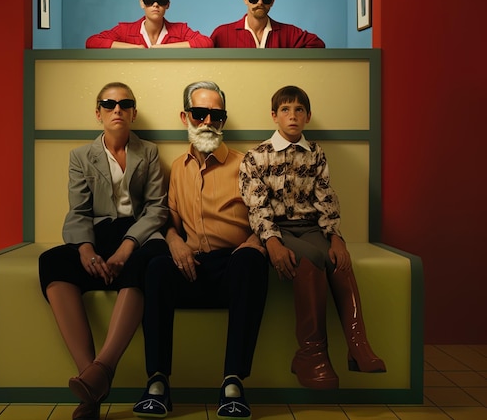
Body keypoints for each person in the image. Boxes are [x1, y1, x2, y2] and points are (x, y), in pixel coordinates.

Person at [133, 81, 268, 420]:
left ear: (223, 120)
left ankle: (233, 385)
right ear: (185, 117)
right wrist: (174, 241)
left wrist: (252, 244)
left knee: (251, 261)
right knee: (157, 268)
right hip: (190, 265)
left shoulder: (246, 163)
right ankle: (157, 385)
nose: (208, 121)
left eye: (216, 115)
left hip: (234, 265)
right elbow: (169, 221)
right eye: (199, 113)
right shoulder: (177, 168)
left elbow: (266, 218)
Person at [239, 85, 386, 390]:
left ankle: (358, 345)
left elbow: (326, 197)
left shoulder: (315, 153)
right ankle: (311, 354)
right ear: (274, 116)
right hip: (278, 229)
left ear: (307, 116)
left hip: (311, 227)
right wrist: (272, 241)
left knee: (337, 261)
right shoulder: (256, 156)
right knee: (309, 261)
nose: (292, 115)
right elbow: (256, 206)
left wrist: (335, 237)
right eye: (285, 110)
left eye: (299, 110)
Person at [38, 82, 170, 420]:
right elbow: (79, 211)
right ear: (98, 112)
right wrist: (85, 250)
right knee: (51, 261)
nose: (117, 109)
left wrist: (127, 248)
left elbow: (157, 209)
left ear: (133, 112)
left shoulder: (150, 152)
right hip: (96, 236)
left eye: (124, 104)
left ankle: (103, 367)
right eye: (108, 104)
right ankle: (91, 378)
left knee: (148, 262)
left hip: (138, 235)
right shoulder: (81, 156)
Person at [86, 0, 213, 48]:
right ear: (142, 3)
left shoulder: (180, 30)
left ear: (167, 4)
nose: (155, 4)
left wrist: (164, 49)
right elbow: (92, 42)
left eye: (161, 0)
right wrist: (134, 49)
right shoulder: (125, 30)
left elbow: (207, 43)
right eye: (149, 0)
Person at [210, 0, 325, 48]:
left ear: (272, 1)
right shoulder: (222, 33)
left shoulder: (289, 33)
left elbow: (318, 45)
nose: (260, 2)